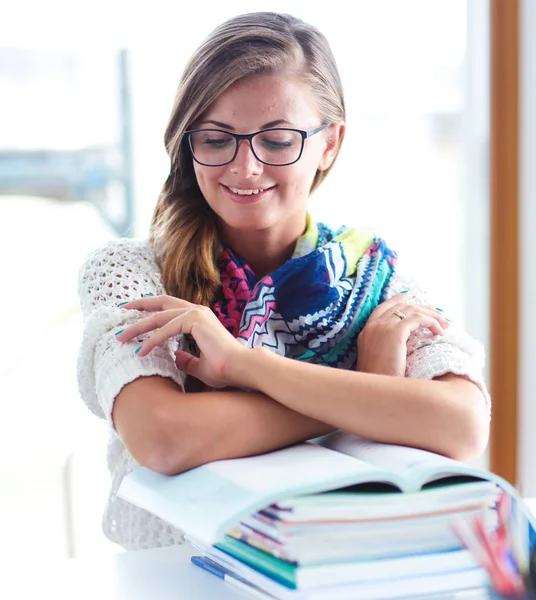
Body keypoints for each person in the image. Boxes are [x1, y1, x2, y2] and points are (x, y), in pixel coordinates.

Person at [77, 12, 490, 552]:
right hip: (176, 580)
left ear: (329, 144)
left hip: (334, 574)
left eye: (276, 141)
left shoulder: (373, 278)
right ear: (188, 143)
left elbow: (461, 424)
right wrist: (367, 387)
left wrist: (245, 365)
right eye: (217, 138)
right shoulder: (128, 272)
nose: (245, 168)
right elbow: (164, 436)